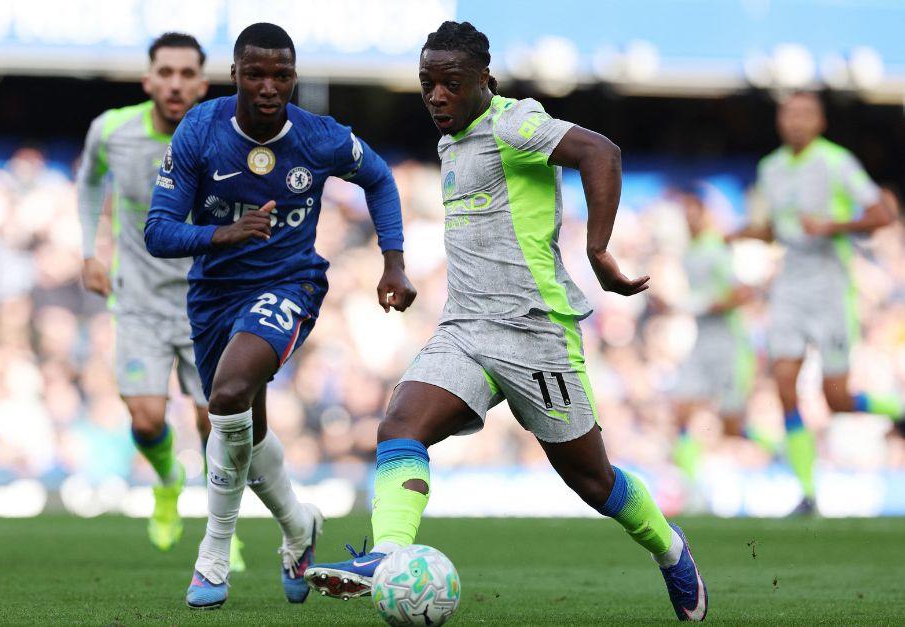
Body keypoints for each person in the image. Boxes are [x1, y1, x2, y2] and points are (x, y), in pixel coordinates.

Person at [305, 21, 707, 622]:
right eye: (427, 84)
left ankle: (670, 549)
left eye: (451, 84)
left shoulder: (514, 122)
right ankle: (387, 555)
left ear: (484, 82)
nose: (437, 96)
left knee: (594, 483)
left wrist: (598, 250)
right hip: (465, 329)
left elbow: (601, 151)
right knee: (398, 426)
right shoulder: (450, 143)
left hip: (533, 330)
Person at [145, 22, 415, 610]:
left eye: (282, 75)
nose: (270, 87)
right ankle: (299, 528)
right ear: (236, 74)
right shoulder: (201, 130)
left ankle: (214, 553)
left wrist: (393, 261)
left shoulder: (320, 136)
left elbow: (379, 178)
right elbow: (157, 232)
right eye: (257, 74)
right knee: (247, 425)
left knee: (228, 392)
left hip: (288, 284)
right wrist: (224, 233)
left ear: (295, 78)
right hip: (213, 296)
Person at [76, 32, 250, 569]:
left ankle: (222, 529)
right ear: (148, 79)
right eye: (165, 73)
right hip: (139, 302)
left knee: (212, 424)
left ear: (202, 82)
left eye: (186, 74)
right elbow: (87, 185)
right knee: (148, 420)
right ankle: (169, 483)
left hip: (206, 302)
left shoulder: (228, 134)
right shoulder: (110, 131)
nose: (175, 84)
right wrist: (90, 252)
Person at [729, 92, 902, 515]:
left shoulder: (837, 161)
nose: (796, 122)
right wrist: (738, 234)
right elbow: (771, 229)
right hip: (790, 285)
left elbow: (882, 214)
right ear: (780, 121)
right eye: (789, 114)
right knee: (784, 385)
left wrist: (833, 225)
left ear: (820, 122)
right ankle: (807, 492)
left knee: (836, 399)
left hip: (830, 286)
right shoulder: (770, 168)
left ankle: (898, 408)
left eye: (805, 114)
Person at [662, 190, 769, 481]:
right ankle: (691, 489)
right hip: (702, 344)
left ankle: (783, 451)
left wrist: (702, 304)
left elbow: (742, 293)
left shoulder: (716, 248)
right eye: (685, 213)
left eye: (694, 212)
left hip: (730, 346)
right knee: (682, 411)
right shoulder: (688, 253)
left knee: (731, 426)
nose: (689, 219)